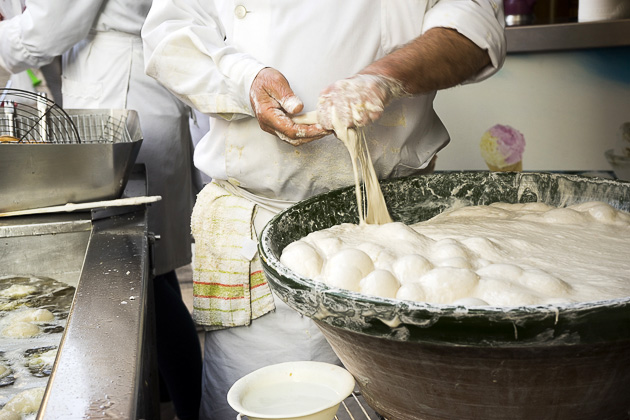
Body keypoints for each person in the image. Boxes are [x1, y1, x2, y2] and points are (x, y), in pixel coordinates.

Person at [142, 1, 506, 419]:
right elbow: (170, 29)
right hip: (265, 242)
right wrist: (244, 81)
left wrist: (384, 77)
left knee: (401, 402)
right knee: (270, 402)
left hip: (402, 236)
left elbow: (474, 23)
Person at [0, 2, 202, 419]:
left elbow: (55, 21)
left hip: (125, 90)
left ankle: (193, 406)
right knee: (152, 272)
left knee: (142, 273)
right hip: (121, 84)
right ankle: (169, 395)